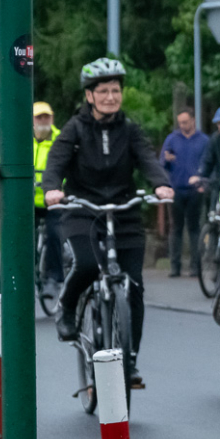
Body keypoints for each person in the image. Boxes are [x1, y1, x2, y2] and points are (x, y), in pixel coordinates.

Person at [42, 58, 173, 386]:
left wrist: (160, 182)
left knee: (135, 287)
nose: (111, 97)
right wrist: (52, 189)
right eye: (103, 91)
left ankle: (129, 361)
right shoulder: (74, 129)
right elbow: (56, 162)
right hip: (83, 209)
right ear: (90, 96)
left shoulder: (129, 130)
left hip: (124, 210)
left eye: (116, 91)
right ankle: (68, 308)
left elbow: (146, 158)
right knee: (86, 264)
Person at [160, 108, 210, 277]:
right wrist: (167, 161)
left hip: (196, 190)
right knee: (175, 228)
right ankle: (175, 267)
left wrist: (203, 181)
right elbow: (162, 165)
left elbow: (208, 164)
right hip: (176, 189)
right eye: (180, 122)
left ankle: (196, 267)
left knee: (195, 228)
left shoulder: (204, 140)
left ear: (193, 121)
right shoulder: (172, 139)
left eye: (185, 122)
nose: (182, 125)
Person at [33, 101, 65, 297]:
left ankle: (55, 277)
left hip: (53, 200)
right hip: (28, 201)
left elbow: (69, 165)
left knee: (54, 234)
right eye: (39, 117)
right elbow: (4, 160)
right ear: (32, 121)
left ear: (52, 118)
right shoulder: (21, 138)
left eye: (47, 117)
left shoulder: (60, 140)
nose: (43, 121)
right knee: (24, 238)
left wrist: (61, 187)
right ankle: (23, 276)